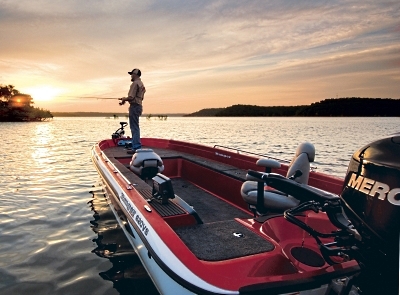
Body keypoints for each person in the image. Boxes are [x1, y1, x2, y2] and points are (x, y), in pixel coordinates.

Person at [119, 68, 146, 154]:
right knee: (136, 127)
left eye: (132, 74)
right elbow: (137, 97)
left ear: (136, 75)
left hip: (134, 107)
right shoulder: (141, 84)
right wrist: (124, 100)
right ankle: (136, 146)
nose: (131, 76)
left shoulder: (135, 84)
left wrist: (124, 99)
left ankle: (136, 147)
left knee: (134, 128)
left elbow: (131, 97)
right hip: (139, 106)